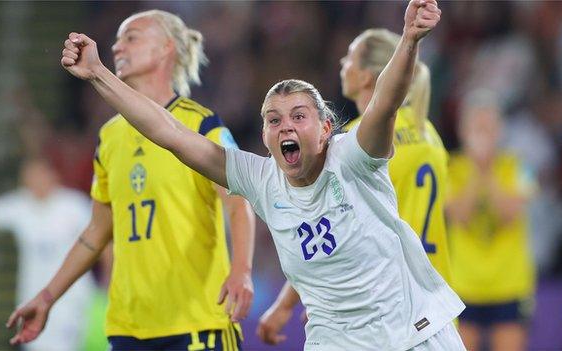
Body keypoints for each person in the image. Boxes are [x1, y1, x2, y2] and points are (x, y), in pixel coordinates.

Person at [56, 0, 465, 349]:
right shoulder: (260, 179)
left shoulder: (355, 157)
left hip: (414, 331)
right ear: (265, 135)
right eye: (273, 119)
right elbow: (170, 132)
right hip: (337, 340)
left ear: (326, 129)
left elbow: (386, 102)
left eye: (299, 116)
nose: (285, 126)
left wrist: (410, 39)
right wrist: (98, 74)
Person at [7, 10, 256, 351]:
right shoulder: (109, 137)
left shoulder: (202, 125)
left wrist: (241, 269)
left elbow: (239, 201)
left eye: (131, 37)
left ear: (166, 48)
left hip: (196, 322)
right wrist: (48, 296)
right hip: (129, 329)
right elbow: (95, 235)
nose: (117, 46)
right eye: (117, 39)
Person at [256, 28, 453, 345]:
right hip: (434, 287)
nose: (342, 62)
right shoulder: (427, 131)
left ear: (365, 76)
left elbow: (328, 227)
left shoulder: (356, 143)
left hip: (387, 298)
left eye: (350, 56)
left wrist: (288, 304)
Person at [0, 158, 95, 351]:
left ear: (52, 175)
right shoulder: (21, 205)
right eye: (28, 178)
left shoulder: (75, 205)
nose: (33, 183)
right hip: (32, 299)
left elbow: (102, 243)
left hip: (73, 300)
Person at [445, 91, 535, 351]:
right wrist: (476, 168)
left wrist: (488, 168)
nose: (483, 136)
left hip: (509, 285)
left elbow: (510, 213)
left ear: (500, 131)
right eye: (477, 128)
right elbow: (459, 215)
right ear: (463, 132)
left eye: (489, 128)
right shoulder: (451, 168)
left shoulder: (519, 166)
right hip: (465, 285)